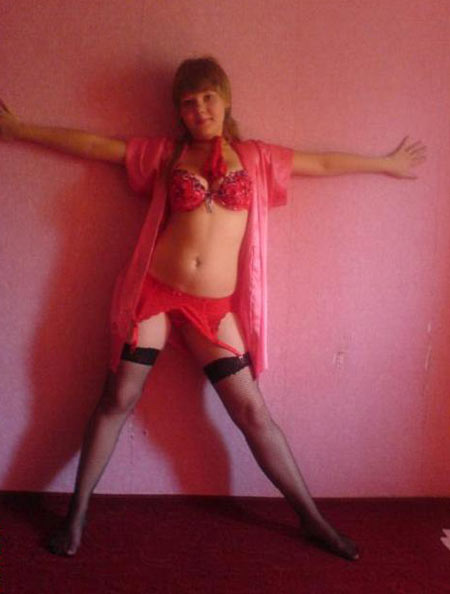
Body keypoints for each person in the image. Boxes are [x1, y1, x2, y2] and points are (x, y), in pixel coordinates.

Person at [0, 57, 426, 561]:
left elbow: (323, 164)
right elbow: (96, 146)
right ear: (178, 111)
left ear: (225, 100)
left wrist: (385, 163)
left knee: (251, 411)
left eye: (207, 97)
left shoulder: (256, 157)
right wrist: (20, 130)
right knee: (118, 397)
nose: (199, 108)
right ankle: (76, 515)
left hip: (214, 308)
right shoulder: (167, 154)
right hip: (155, 293)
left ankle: (313, 520)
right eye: (188, 101)